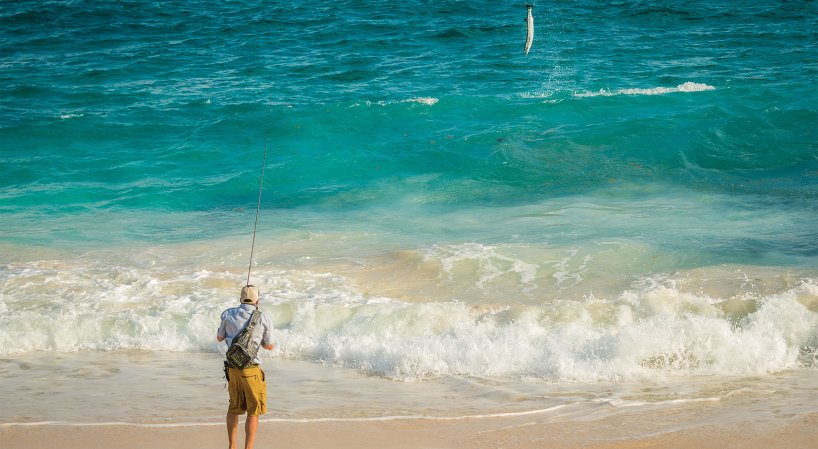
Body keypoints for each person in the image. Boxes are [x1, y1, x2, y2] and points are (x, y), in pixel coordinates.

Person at [217, 285, 275, 449]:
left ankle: (231, 446)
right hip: (251, 370)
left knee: (233, 408)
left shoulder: (228, 314)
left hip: (233, 369)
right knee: (253, 410)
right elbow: (269, 346)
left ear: (240, 299)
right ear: (258, 300)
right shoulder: (263, 318)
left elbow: (219, 338)